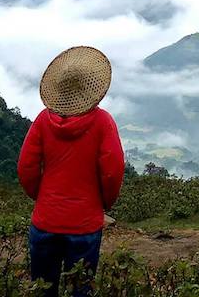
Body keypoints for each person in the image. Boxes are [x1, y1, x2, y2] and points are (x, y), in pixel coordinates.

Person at [18, 46, 125, 297]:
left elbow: (26, 168)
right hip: (85, 224)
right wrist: (103, 204)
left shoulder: (43, 121)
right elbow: (112, 172)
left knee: (43, 289)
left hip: (45, 222)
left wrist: (43, 198)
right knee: (81, 289)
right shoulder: (102, 122)